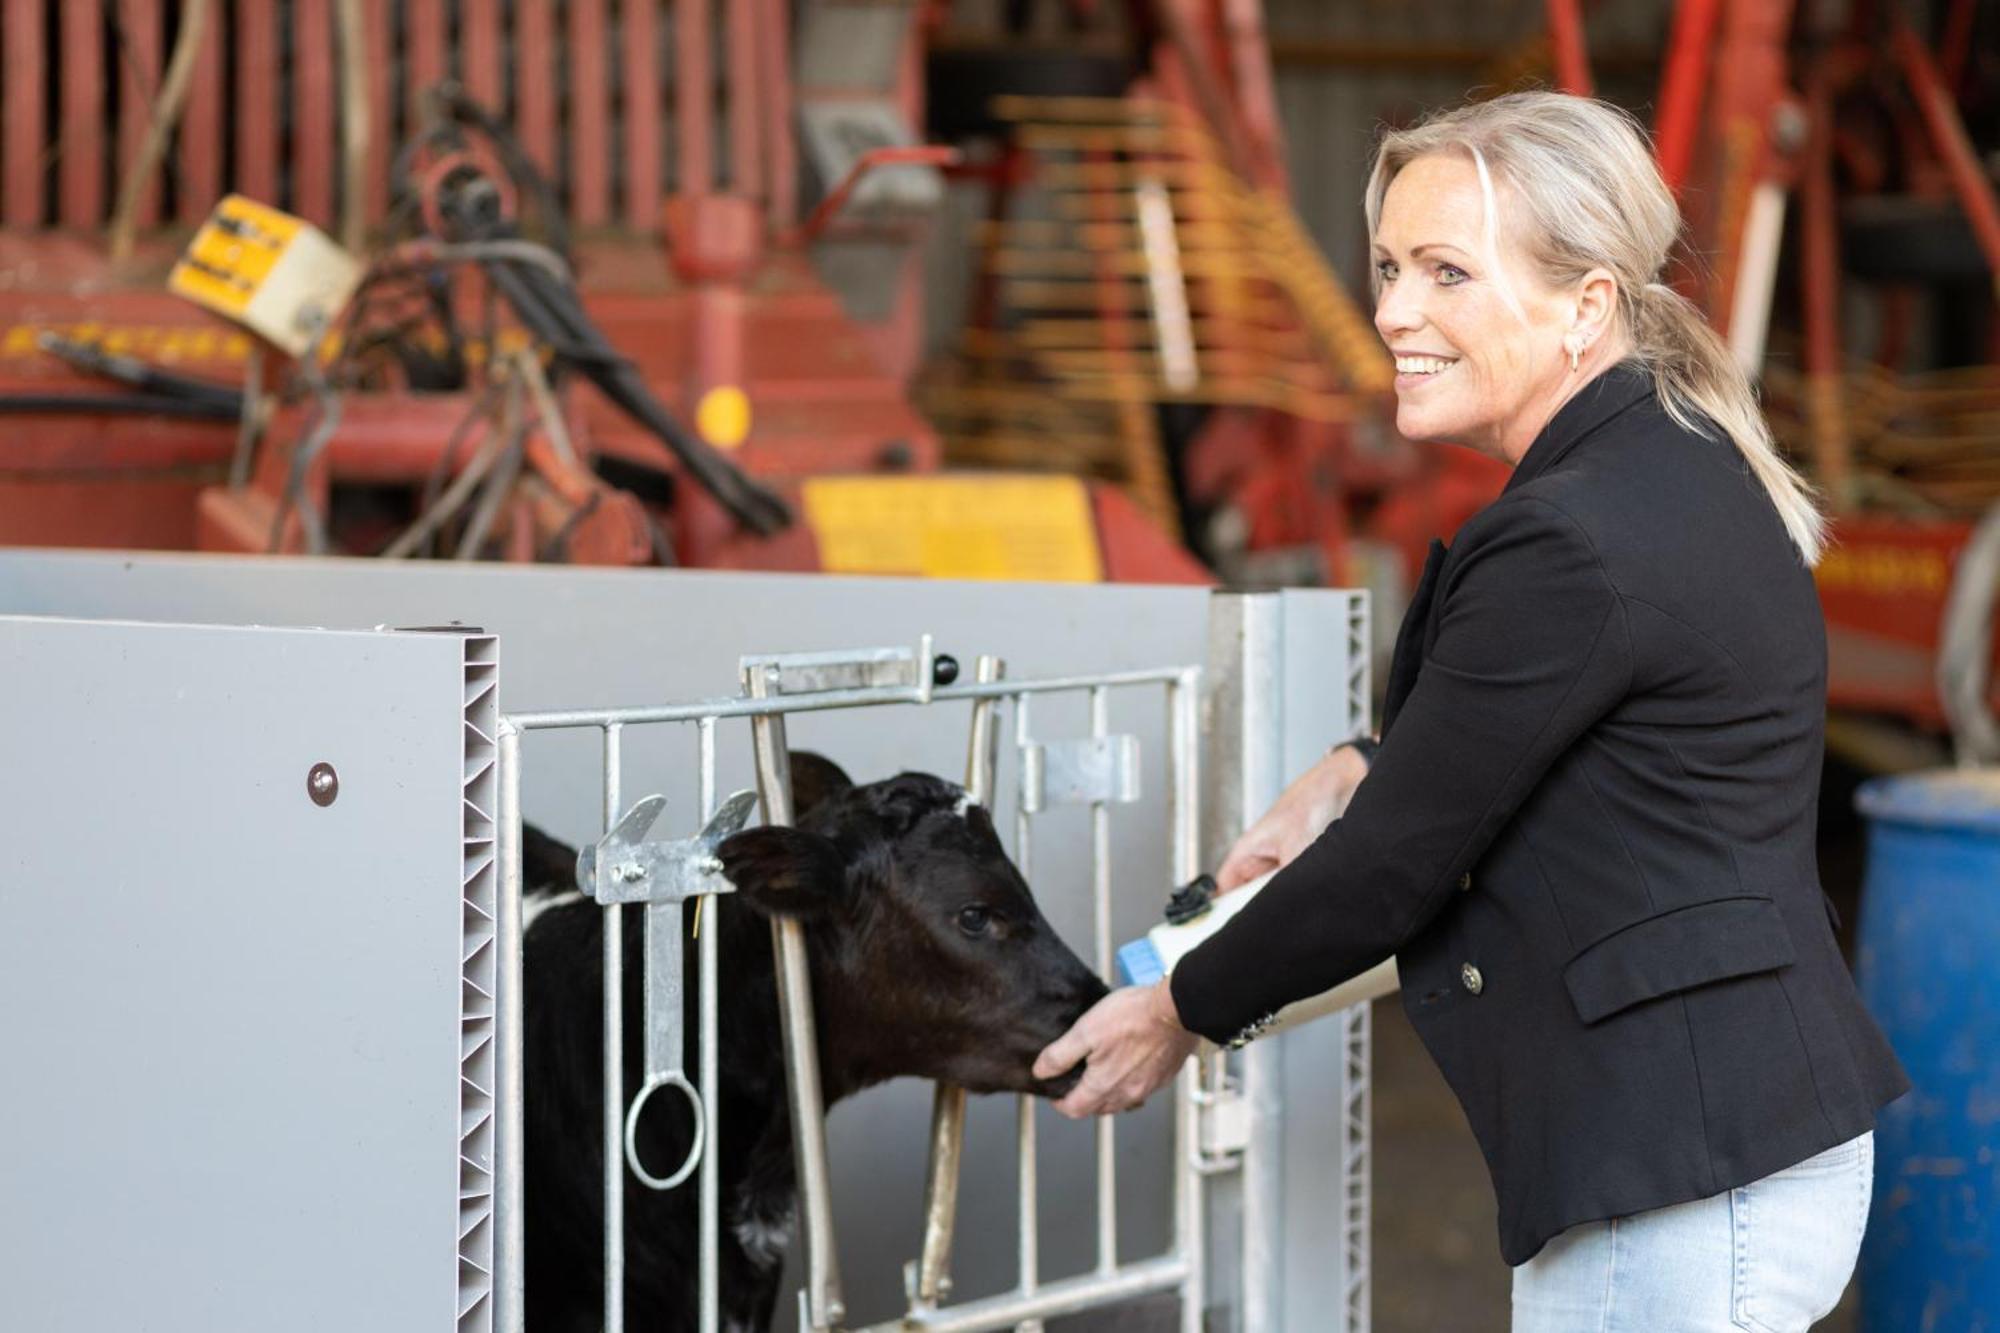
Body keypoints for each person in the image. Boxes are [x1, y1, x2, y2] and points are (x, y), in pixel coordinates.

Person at [1032, 91, 1908, 1331]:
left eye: (1447, 272)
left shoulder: (1568, 532)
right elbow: (1562, 732)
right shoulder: (1670, 461)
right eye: (1389, 266)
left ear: (1585, 305)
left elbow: (1392, 872)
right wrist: (1350, 769)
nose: (1393, 310)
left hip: (1671, 1174)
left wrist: (1175, 1011)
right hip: (1732, 1142)